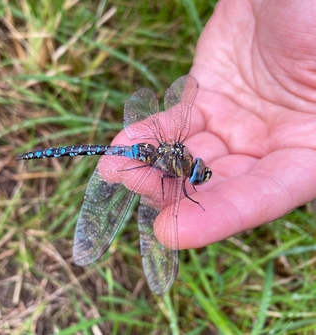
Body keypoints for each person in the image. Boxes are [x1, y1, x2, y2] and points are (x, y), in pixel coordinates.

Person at [109, 0, 316, 249]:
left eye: (198, 171)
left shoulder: (177, 160)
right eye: (198, 173)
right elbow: (169, 181)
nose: (199, 169)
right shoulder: (178, 168)